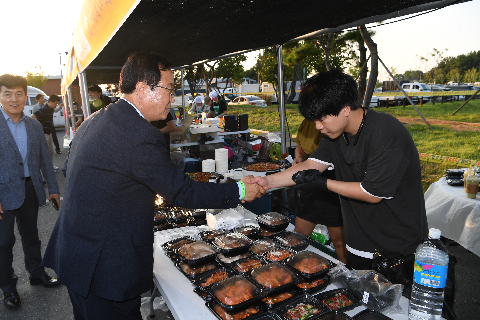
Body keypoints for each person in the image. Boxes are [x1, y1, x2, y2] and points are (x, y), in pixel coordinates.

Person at [41, 52, 264, 320]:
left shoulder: (98, 118)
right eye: (169, 90)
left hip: (77, 252)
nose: (172, 98)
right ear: (143, 88)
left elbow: (71, 170)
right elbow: (182, 191)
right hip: (103, 267)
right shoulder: (138, 133)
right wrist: (240, 190)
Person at [247, 69, 428, 271]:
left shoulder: (385, 134)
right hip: (359, 243)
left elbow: (372, 193)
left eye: (321, 119)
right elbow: (311, 164)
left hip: (396, 248)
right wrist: (268, 182)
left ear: (345, 108)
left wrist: (323, 183)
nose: (317, 127)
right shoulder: (335, 135)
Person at [0, 74, 61, 310]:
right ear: (1, 95)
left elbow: (45, 160)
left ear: (25, 96)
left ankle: (36, 273)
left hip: (30, 188)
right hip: (3, 193)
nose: (13, 99)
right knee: (4, 243)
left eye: (18, 93)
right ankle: (8, 287)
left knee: (31, 236)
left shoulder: (34, 125)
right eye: (7, 93)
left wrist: (53, 189)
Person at [293, 118, 347, 263]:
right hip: (310, 178)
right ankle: (293, 268)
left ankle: (346, 274)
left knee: (339, 241)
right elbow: (300, 146)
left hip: (334, 179)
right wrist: (299, 157)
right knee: (298, 237)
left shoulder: (336, 121)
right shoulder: (306, 123)